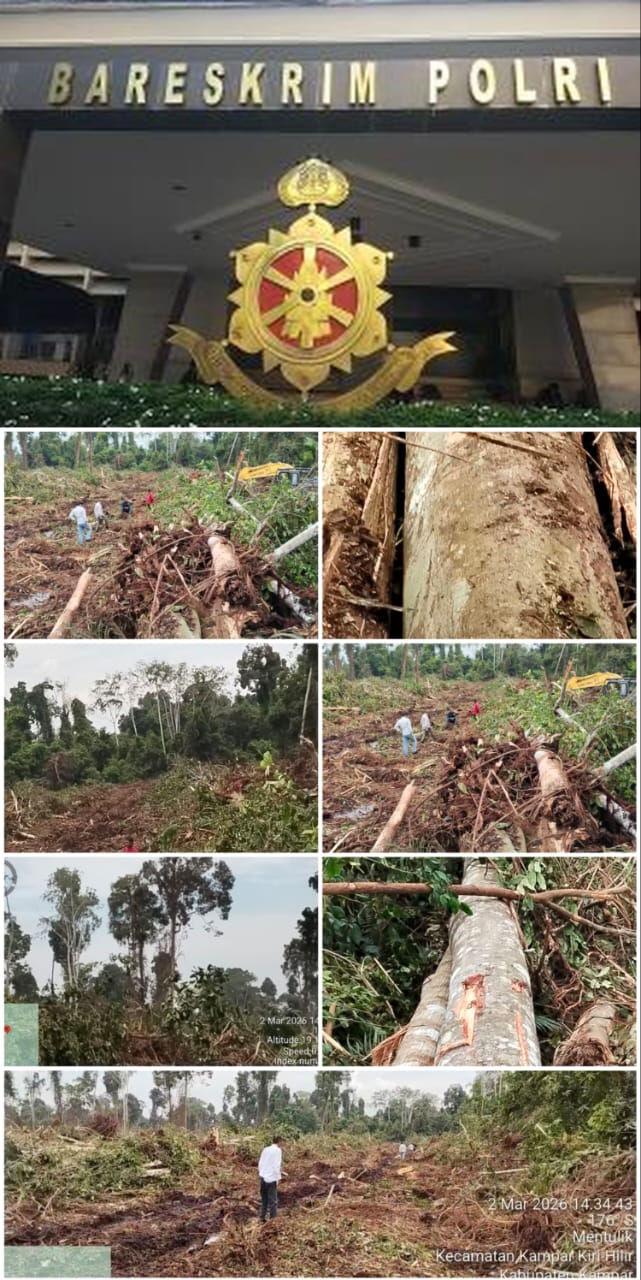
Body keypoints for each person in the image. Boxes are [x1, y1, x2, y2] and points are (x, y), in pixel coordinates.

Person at [258, 1136, 284, 1222]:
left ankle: (262, 1217)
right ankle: (273, 1220)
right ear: (279, 1141)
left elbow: (260, 1163)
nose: (283, 1144)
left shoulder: (265, 1149)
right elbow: (276, 1166)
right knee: (273, 1201)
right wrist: (278, 1178)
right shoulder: (278, 1150)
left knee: (264, 1199)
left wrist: (261, 1173)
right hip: (271, 1178)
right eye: (282, 1142)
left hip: (263, 1177)